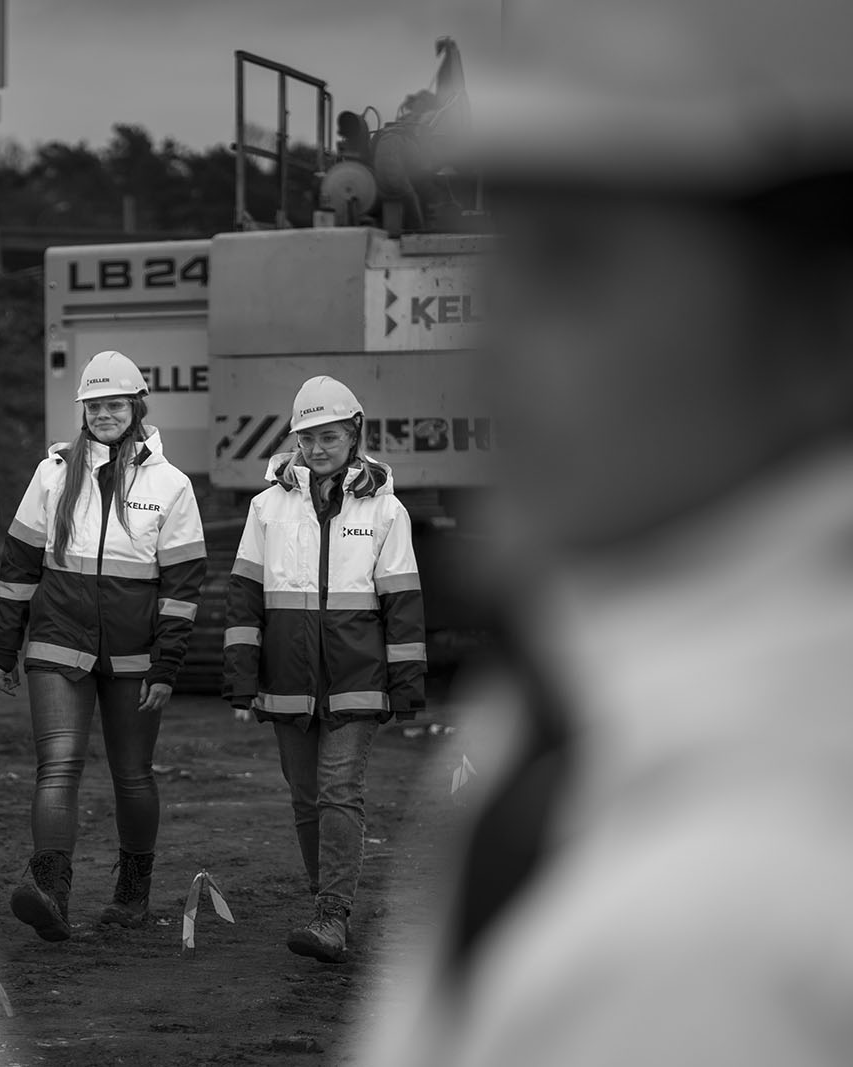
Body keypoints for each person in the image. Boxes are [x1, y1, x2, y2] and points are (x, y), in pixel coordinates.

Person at [358, 2, 853, 1065]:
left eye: (572, 267)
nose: (490, 354)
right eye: (500, 269)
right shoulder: (574, 717)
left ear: (824, 324)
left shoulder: (724, 920)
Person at [0, 351, 207, 942]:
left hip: (135, 654)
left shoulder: (171, 485)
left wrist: (167, 664)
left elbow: (183, 587)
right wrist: (6, 643)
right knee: (58, 765)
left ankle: (131, 895)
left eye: (115, 404)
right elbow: (19, 565)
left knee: (132, 773)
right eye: (94, 405)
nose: (104, 414)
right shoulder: (53, 474)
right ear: (82, 409)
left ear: (136, 407)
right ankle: (49, 892)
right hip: (59, 639)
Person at [223, 375, 425, 962]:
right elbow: (244, 598)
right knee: (306, 797)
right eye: (307, 438)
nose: (316, 448)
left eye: (329, 437)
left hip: (357, 678)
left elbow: (403, 604)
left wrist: (407, 685)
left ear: (355, 434)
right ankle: (324, 903)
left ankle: (333, 915)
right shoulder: (267, 507)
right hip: (288, 680)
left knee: (339, 792)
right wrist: (241, 677)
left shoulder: (385, 509)